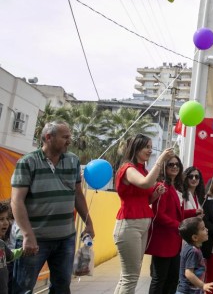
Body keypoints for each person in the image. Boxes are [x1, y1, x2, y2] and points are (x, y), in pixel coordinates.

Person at [10, 120, 94, 294]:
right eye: (65, 137)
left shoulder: (73, 161)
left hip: (65, 238)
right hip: (35, 239)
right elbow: (16, 201)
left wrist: (89, 223)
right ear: (48, 137)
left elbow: (78, 194)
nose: (69, 141)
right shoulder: (27, 163)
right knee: (23, 288)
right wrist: (28, 235)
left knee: (62, 287)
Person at [113, 134, 174, 294]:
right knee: (130, 277)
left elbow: (145, 199)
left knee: (128, 276)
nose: (150, 150)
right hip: (129, 225)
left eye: (150, 146)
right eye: (146, 147)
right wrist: (160, 160)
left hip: (141, 225)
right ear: (136, 148)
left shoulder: (141, 169)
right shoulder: (128, 168)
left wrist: (156, 194)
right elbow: (145, 183)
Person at [146, 155, 201, 294]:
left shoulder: (174, 187)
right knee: (159, 280)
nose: (175, 167)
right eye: (171, 164)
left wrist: (194, 212)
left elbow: (177, 214)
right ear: (164, 167)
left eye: (177, 164)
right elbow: (158, 215)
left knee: (172, 279)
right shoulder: (161, 186)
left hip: (174, 243)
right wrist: (179, 225)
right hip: (163, 242)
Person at [176, 217, 213, 294]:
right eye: (203, 229)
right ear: (195, 237)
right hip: (188, 291)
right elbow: (188, 273)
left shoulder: (190, 246)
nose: (207, 230)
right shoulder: (193, 251)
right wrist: (203, 285)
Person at [1, 202, 22, 294]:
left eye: (7, 218)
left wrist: (23, 249)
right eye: (1, 219)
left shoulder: (1, 244)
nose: (6, 222)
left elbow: (11, 255)